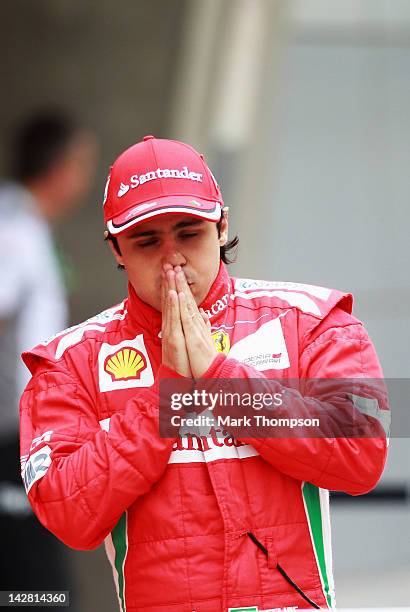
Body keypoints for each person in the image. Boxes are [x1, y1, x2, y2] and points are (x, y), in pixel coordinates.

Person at [19, 135, 388, 612]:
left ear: (222, 226)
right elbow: (68, 514)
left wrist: (220, 379)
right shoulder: (69, 363)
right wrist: (167, 397)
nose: (172, 257)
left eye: (189, 233)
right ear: (116, 249)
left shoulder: (310, 321)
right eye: (147, 241)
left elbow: (363, 457)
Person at [0, 110, 96, 597]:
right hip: (8, 440)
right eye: (81, 165)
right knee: (39, 591)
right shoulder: (15, 232)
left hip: (20, 435)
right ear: (59, 168)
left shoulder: (25, 225)